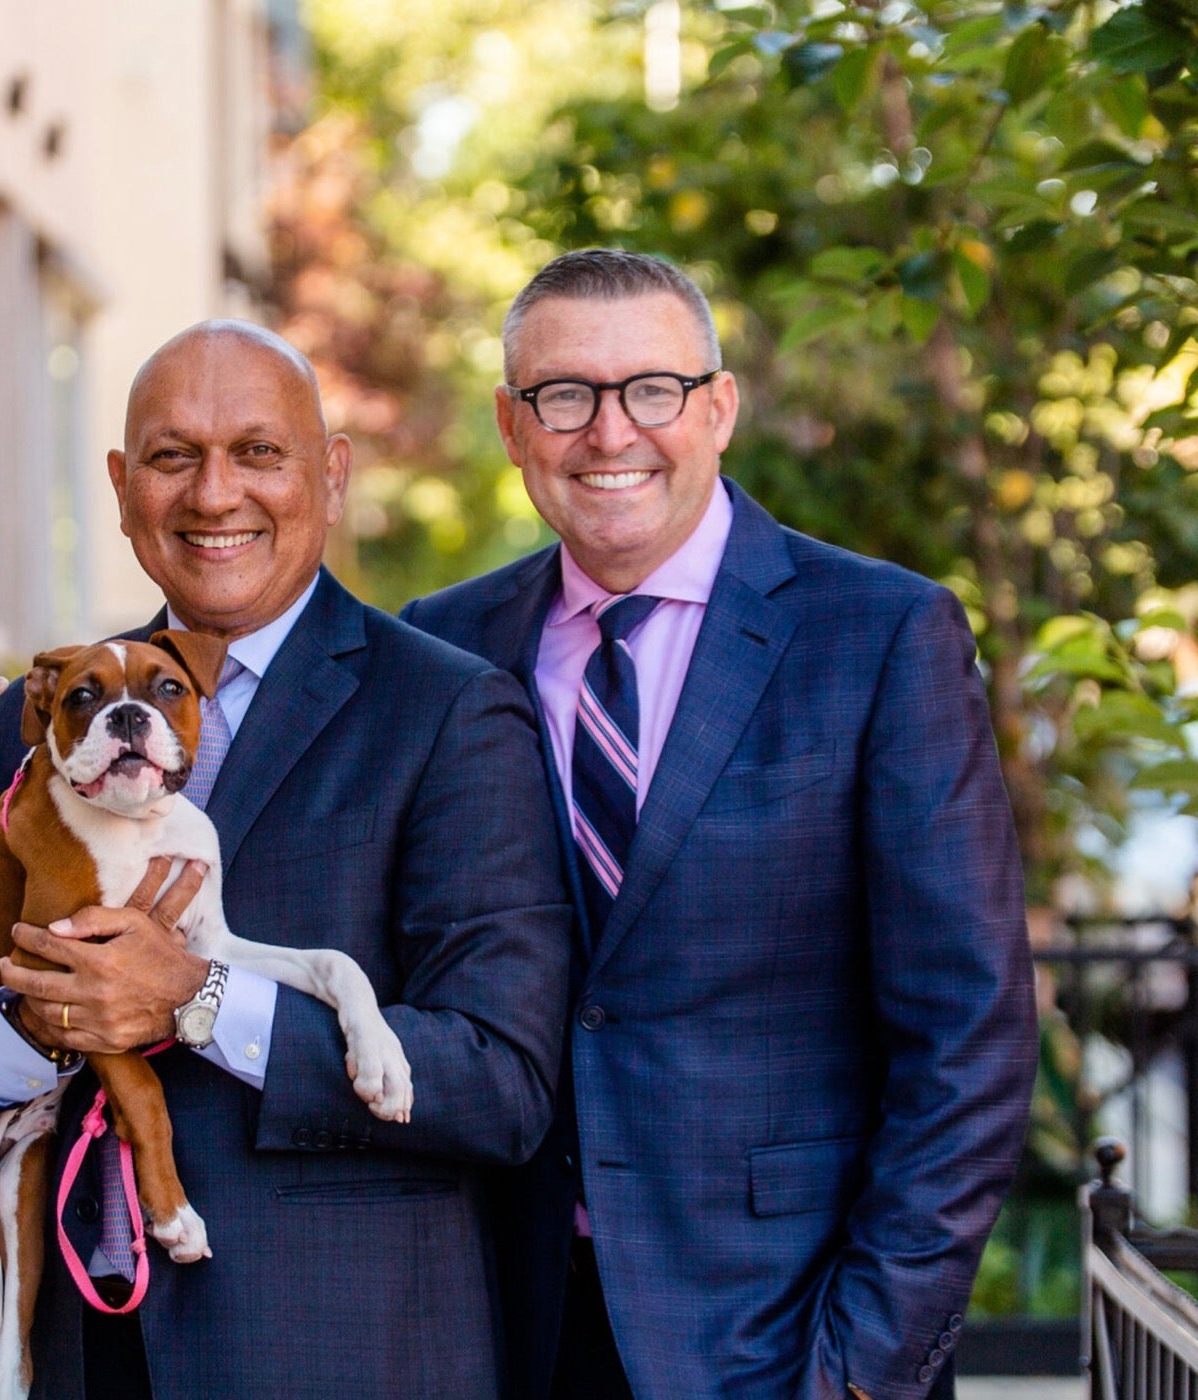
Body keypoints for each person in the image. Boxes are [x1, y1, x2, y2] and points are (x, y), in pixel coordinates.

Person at [0, 320, 573, 1400]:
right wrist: (32, 1025)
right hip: (77, 1355)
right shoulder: (39, 727)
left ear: (332, 474)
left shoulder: (447, 710)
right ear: (123, 489)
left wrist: (200, 996)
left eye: (259, 451)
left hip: (339, 1357)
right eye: (173, 456)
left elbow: (500, 1080)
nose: (215, 495)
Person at [397, 249, 1036, 1399]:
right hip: (508, 1325)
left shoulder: (882, 635)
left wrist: (861, 1364)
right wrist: (59, 734)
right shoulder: (446, 645)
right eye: (563, 395)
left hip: (782, 1332)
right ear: (510, 422)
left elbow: (969, 1035)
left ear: (719, 407)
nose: (609, 432)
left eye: (652, 389)